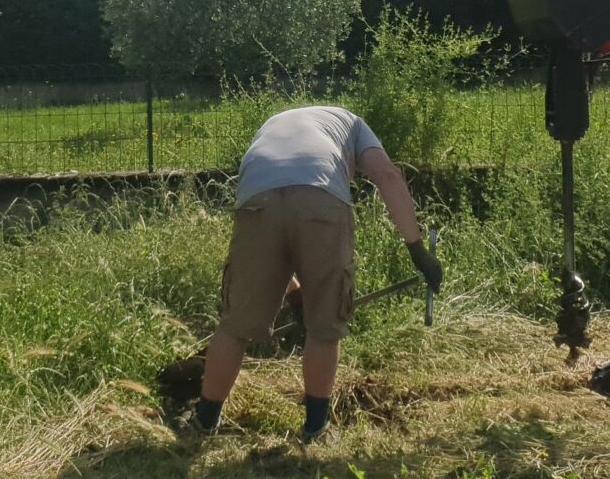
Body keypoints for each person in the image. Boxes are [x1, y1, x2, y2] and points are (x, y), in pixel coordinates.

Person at [189, 105, 441, 443]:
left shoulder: (273, 123)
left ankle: (203, 422)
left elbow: (277, 239)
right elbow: (388, 176)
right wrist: (417, 250)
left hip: (257, 198)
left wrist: (294, 294)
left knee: (235, 326)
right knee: (325, 324)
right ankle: (315, 429)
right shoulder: (354, 125)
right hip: (322, 199)